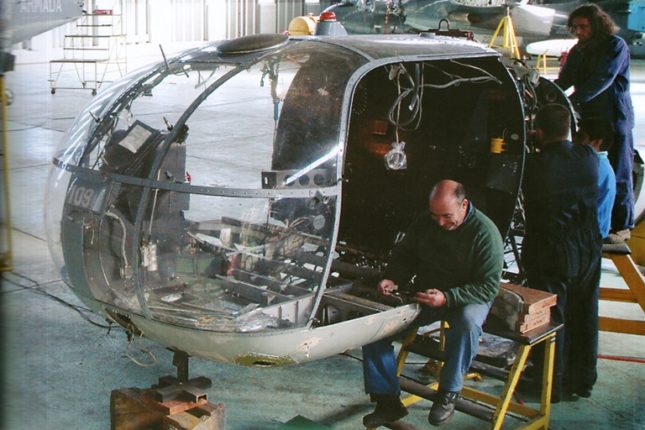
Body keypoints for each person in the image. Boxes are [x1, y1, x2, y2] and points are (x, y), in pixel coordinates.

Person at [362, 179, 504, 427]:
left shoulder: (486, 233)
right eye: (434, 215)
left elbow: (488, 287)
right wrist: (393, 277)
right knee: (375, 329)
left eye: (447, 216)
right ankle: (387, 402)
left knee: (467, 324)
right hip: (429, 293)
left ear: (464, 205)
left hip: (469, 296)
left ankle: (449, 393)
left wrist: (448, 297)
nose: (439, 223)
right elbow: (406, 255)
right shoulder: (425, 222)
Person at [522, 104, 602, 402]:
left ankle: (548, 385)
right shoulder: (588, 157)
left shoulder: (534, 165)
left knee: (551, 317)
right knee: (585, 313)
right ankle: (582, 380)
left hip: (552, 251)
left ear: (539, 131)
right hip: (588, 248)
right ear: (569, 128)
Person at [555, 3, 635, 244]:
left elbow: (603, 78)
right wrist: (545, 94)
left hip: (613, 118)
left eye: (583, 26)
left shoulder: (615, 46)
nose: (578, 31)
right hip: (589, 116)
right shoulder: (578, 50)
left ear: (597, 25)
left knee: (619, 171)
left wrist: (572, 101)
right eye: (575, 27)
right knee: (590, 170)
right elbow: (565, 79)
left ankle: (622, 225)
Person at [575, 118, 617, 240]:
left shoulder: (594, 168)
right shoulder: (602, 164)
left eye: (581, 137)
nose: (574, 141)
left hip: (587, 236)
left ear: (597, 142)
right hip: (592, 232)